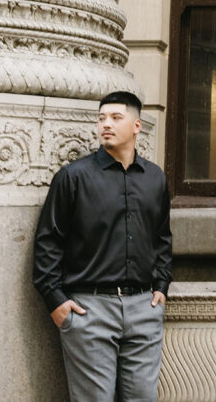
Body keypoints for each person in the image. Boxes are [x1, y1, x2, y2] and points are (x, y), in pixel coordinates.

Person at [33, 91, 172, 401]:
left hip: (143, 307)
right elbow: (48, 241)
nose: (105, 124)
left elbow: (162, 236)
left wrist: (162, 284)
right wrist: (56, 302)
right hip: (89, 309)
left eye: (115, 118)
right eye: (101, 118)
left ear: (136, 126)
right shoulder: (73, 178)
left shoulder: (155, 179)